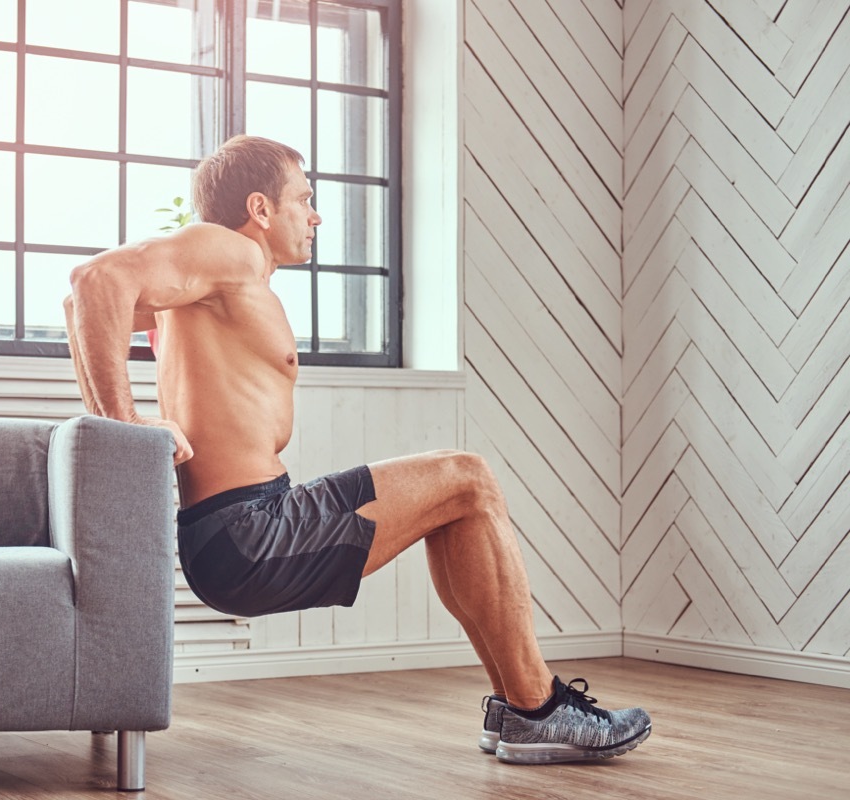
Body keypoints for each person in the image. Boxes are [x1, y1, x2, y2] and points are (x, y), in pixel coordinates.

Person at [63, 134, 650, 764]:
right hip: (250, 532)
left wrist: (118, 422)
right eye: (305, 199)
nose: (315, 216)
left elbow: (79, 306)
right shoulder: (226, 249)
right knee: (468, 476)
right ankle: (539, 709)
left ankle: (519, 707)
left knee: (461, 504)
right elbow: (93, 281)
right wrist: (123, 424)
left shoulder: (206, 287)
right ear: (260, 209)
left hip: (242, 527)